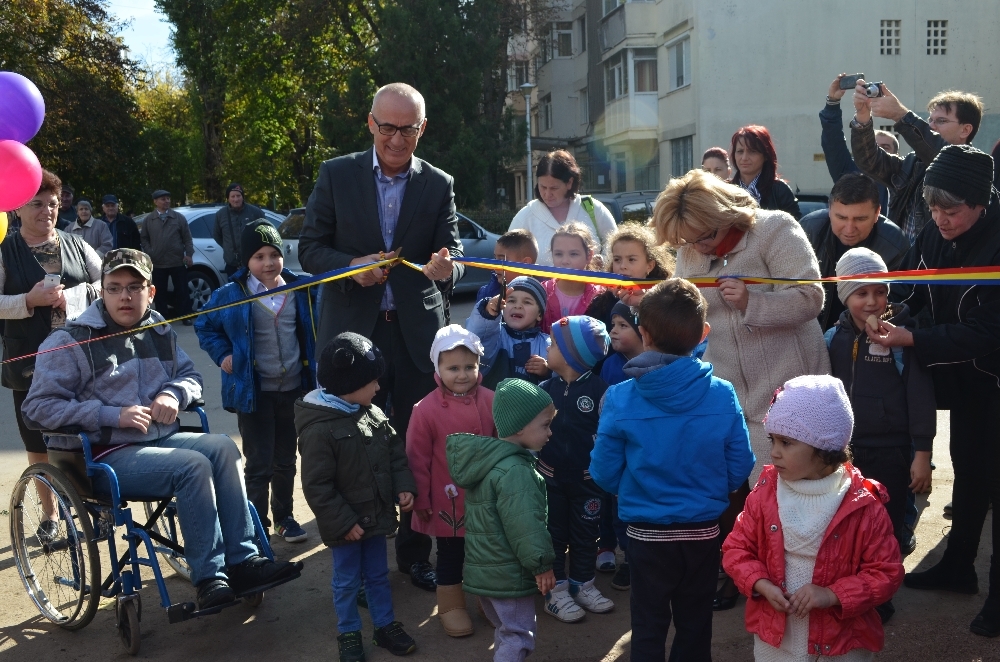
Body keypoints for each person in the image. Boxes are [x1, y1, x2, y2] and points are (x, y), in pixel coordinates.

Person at [22, 248, 302, 610]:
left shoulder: (158, 329)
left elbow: (190, 376)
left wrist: (174, 393)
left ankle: (245, 562)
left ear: (151, 292)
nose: (124, 296)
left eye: (134, 287)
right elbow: (37, 409)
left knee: (223, 447)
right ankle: (210, 578)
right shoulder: (70, 340)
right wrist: (110, 415)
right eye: (114, 288)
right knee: (193, 466)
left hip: (161, 439)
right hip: (103, 457)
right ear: (101, 291)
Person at [299, 82, 464, 592]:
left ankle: (414, 555)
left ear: (422, 129)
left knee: (417, 446)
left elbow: (455, 253)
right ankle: (360, 558)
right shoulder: (336, 174)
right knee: (352, 450)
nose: (396, 139)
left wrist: (446, 268)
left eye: (407, 129)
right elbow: (310, 249)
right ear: (370, 123)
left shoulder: (438, 183)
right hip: (353, 339)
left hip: (415, 338)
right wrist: (352, 266)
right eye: (387, 127)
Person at [652, 169, 829, 612]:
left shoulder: (775, 229)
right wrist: (656, 307)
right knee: (736, 494)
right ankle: (744, 574)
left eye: (703, 237)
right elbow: (687, 314)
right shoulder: (690, 250)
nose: (696, 248)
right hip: (727, 392)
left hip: (788, 386)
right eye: (686, 242)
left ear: (724, 216)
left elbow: (812, 297)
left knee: (795, 491)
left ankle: (805, 577)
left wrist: (754, 301)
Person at [870, 144, 1000, 638]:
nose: (941, 219)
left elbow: (989, 331)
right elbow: (911, 285)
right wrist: (890, 310)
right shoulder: (932, 231)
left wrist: (914, 339)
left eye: (952, 210)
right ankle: (958, 566)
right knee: (969, 472)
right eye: (934, 208)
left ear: (980, 203)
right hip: (964, 380)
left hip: (994, 375)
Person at [591, 278, 755, 660]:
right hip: (702, 531)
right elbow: (740, 465)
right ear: (704, 333)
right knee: (695, 625)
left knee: (647, 626)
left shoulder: (620, 397)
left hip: (645, 534)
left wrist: (634, 489)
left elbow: (603, 471)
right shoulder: (722, 393)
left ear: (644, 334)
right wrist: (713, 489)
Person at [723, 374, 905, 661]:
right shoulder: (765, 494)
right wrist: (761, 583)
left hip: (839, 642)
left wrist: (832, 595)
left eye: (786, 442)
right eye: (773, 440)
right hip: (777, 640)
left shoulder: (862, 505)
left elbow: (886, 573)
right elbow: (736, 549)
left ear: (824, 450)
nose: (774, 452)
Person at [296, 333, 419, 661]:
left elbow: (394, 454)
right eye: (372, 382)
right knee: (347, 582)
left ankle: (384, 625)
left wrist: (403, 486)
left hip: (375, 517)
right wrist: (343, 523)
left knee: (378, 576)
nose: (378, 387)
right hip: (347, 528)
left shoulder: (372, 413)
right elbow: (317, 486)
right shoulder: (319, 429)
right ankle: (349, 631)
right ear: (348, 385)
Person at [195, 221, 318, 543]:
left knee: (286, 460)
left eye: (274, 255)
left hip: (293, 389)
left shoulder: (302, 289)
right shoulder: (231, 295)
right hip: (254, 393)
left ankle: (284, 518)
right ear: (246, 260)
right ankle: (257, 525)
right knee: (259, 464)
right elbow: (204, 325)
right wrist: (223, 354)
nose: (268, 263)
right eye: (259, 256)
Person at [826, 248, 935, 565]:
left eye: (880, 291)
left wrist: (922, 454)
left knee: (887, 525)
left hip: (893, 451)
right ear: (844, 296)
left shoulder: (901, 340)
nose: (873, 302)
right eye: (861, 293)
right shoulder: (833, 338)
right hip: (846, 451)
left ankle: (884, 584)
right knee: (850, 524)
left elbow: (921, 397)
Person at [1, 169, 102, 493]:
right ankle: (51, 513)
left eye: (53, 204)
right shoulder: (4, 251)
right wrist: (27, 301)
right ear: (18, 208)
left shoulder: (77, 244)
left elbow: (109, 285)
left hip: (83, 359)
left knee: (87, 436)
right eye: (37, 204)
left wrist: (77, 296)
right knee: (37, 442)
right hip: (28, 363)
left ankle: (89, 501)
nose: (47, 211)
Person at [446, 378, 557, 662]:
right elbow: (526, 525)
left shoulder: (487, 463)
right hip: (508, 574)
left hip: (486, 572)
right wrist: (542, 565)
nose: (550, 432)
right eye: (545, 425)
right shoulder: (516, 470)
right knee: (518, 636)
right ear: (520, 427)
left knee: (506, 632)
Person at [406, 325, 495, 637]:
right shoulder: (425, 409)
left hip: (486, 497)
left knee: (486, 552)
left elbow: (504, 444)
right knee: (450, 554)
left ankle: (487, 598)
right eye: (453, 368)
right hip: (448, 499)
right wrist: (421, 499)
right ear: (438, 369)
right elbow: (416, 458)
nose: (462, 375)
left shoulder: (491, 400)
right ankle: (451, 604)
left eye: (470, 367)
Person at [536, 316, 613, 623]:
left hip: (588, 481)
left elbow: (609, 436)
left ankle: (583, 584)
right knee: (552, 536)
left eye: (554, 343)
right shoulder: (543, 390)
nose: (547, 346)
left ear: (572, 355)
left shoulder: (602, 392)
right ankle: (555, 592)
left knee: (585, 535)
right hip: (550, 478)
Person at [851, 81, 983, 243]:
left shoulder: (974, 168)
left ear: (965, 130)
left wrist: (899, 114)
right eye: (930, 120)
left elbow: (945, 159)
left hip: (946, 259)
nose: (931, 126)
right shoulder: (913, 163)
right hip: (906, 258)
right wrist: (863, 116)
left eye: (941, 121)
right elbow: (868, 161)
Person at [800, 172, 909, 330]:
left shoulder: (895, 245)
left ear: (877, 213)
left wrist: (850, 324)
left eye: (860, 219)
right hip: (809, 333)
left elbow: (898, 303)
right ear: (829, 209)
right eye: (841, 218)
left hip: (868, 336)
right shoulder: (808, 230)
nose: (849, 229)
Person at [597, 301, 644, 590]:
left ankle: (637, 557)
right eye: (612, 324)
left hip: (641, 448)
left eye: (623, 325)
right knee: (616, 506)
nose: (613, 331)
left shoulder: (653, 363)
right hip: (616, 448)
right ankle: (626, 556)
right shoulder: (610, 365)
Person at [508, 150, 617, 265]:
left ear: (569, 183)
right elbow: (508, 256)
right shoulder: (525, 216)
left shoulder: (592, 209)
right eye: (543, 187)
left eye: (554, 188)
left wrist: (602, 262)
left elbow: (615, 244)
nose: (547, 194)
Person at [819, 73, 894, 210]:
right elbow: (833, 143)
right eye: (873, 146)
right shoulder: (851, 174)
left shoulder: (904, 179)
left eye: (885, 147)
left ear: (897, 155)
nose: (878, 151)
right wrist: (832, 103)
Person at [466, 275, 550, 389]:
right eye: (511, 300)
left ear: (539, 314)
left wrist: (547, 371)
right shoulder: (494, 333)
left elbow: (561, 377)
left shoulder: (547, 344)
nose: (517, 306)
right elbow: (474, 341)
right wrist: (487, 314)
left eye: (527, 302)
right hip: (492, 399)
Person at [584, 222, 674, 328]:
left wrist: (644, 303)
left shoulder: (665, 300)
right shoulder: (601, 303)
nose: (623, 266)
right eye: (617, 259)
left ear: (649, 266)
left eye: (631, 259)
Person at [141, 189, 195, 325]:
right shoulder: (149, 219)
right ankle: (162, 318)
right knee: (160, 292)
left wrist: (189, 254)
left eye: (168, 199)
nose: (166, 201)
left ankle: (186, 316)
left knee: (182, 290)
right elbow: (144, 238)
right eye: (163, 199)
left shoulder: (178, 218)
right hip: (158, 262)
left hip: (177, 261)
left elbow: (187, 238)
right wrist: (150, 252)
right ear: (155, 202)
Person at [729, 125, 802, 220]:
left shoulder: (780, 191)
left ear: (766, 156)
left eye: (752, 151)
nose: (744, 158)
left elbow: (795, 226)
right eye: (740, 151)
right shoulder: (725, 189)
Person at [540, 223, 601, 333]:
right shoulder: (541, 292)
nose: (565, 261)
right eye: (558, 254)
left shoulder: (600, 296)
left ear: (589, 256)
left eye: (573, 254)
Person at [213, 183, 266, 278]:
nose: (236, 199)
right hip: (232, 264)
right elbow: (217, 235)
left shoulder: (256, 212)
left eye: (238, 196)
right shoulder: (220, 215)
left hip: (254, 262)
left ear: (243, 197)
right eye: (232, 196)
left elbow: (265, 233)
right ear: (228, 198)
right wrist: (229, 247)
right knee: (234, 287)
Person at [476, 229, 538, 301]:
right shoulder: (486, 293)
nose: (495, 266)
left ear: (525, 264)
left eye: (502, 260)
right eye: (495, 259)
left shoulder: (543, 294)